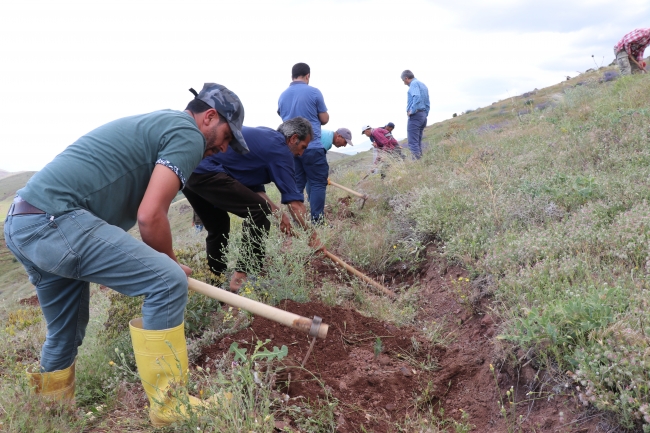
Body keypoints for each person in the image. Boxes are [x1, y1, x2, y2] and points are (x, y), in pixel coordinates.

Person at [3, 83, 247, 426]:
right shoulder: (187, 133)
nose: (223, 147)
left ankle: (49, 416)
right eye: (226, 136)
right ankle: (169, 405)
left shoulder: (159, 124)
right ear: (209, 117)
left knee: (67, 331)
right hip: (55, 220)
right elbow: (150, 216)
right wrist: (171, 263)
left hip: (24, 222)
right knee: (166, 281)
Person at [184, 117, 323, 293]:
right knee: (259, 212)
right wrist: (313, 237)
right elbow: (294, 203)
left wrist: (279, 214)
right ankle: (241, 277)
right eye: (303, 147)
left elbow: (255, 191)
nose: (301, 154)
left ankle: (216, 285)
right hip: (208, 171)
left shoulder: (266, 140)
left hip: (190, 171)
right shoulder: (280, 149)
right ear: (293, 138)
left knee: (218, 227)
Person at [277, 62, 330, 223]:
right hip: (311, 145)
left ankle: (297, 222)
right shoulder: (314, 92)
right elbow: (324, 119)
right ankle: (317, 221)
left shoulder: (283, 95)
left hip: (291, 148)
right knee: (318, 183)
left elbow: (283, 117)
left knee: (296, 185)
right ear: (307, 76)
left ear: (292, 76)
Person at [401, 70, 430, 160]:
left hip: (416, 115)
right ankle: (420, 162)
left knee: (413, 142)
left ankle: (416, 164)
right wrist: (425, 114)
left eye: (403, 80)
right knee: (417, 141)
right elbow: (427, 102)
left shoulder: (413, 84)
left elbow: (416, 97)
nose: (404, 83)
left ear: (406, 78)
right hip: (423, 115)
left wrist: (412, 111)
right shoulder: (423, 85)